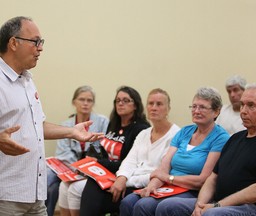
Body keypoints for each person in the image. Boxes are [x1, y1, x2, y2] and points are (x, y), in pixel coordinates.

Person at [0, 16, 101, 215]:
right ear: (13, 43)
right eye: (35, 42)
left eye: (41, 42)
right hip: (6, 195)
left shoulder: (27, 80)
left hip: (35, 194)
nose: (40, 48)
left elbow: (37, 125)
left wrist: (72, 131)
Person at [156, 83, 256, 216]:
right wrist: (199, 205)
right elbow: (213, 179)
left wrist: (218, 205)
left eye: (251, 105)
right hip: (219, 203)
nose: (243, 110)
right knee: (167, 206)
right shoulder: (235, 139)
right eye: (242, 105)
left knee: (212, 214)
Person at [119, 87, 230, 216]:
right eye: (194, 107)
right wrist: (152, 185)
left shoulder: (221, 138)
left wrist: (168, 178)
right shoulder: (184, 131)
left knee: (148, 206)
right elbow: (164, 166)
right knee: (128, 201)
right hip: (170, 186)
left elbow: (203, 179)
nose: (196, 111)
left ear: (216, 112)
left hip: (193, 190)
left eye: (202, 107)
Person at [80, 88, 181, 216]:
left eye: (159, 104)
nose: (154, 108)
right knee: (93, 184)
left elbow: (159, 173)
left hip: (150, 186)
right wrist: (121, 177)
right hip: (130, 181)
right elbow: (130, 161)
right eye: (150, 103)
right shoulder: (144, 134)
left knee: (99, 198)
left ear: (168, 109)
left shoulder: (176, 135)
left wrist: (125, 181)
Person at [59, 86, 150, 216]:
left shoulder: (140, 129)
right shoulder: (113, 124)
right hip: (104, 172)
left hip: (122, 176)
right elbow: (102, 153)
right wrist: (90, 166)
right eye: (118, 100)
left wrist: (98, 163)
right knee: (64, 185)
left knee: (75, 188)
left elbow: (132, 163)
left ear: (135, 105)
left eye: (126, 100)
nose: (120, 103)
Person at [45, 85, 109, 216]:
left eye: (89, 100)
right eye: (81, 99)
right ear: (74, 102)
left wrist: (85, 168)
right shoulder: (66, 125)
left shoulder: (102, 121)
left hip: (93, 166)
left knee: (65, 186)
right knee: (47, 180)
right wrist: (77, 168)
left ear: (93, 103)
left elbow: (104, 148)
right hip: (70, 166)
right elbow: (63, 153)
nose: (85, 103)